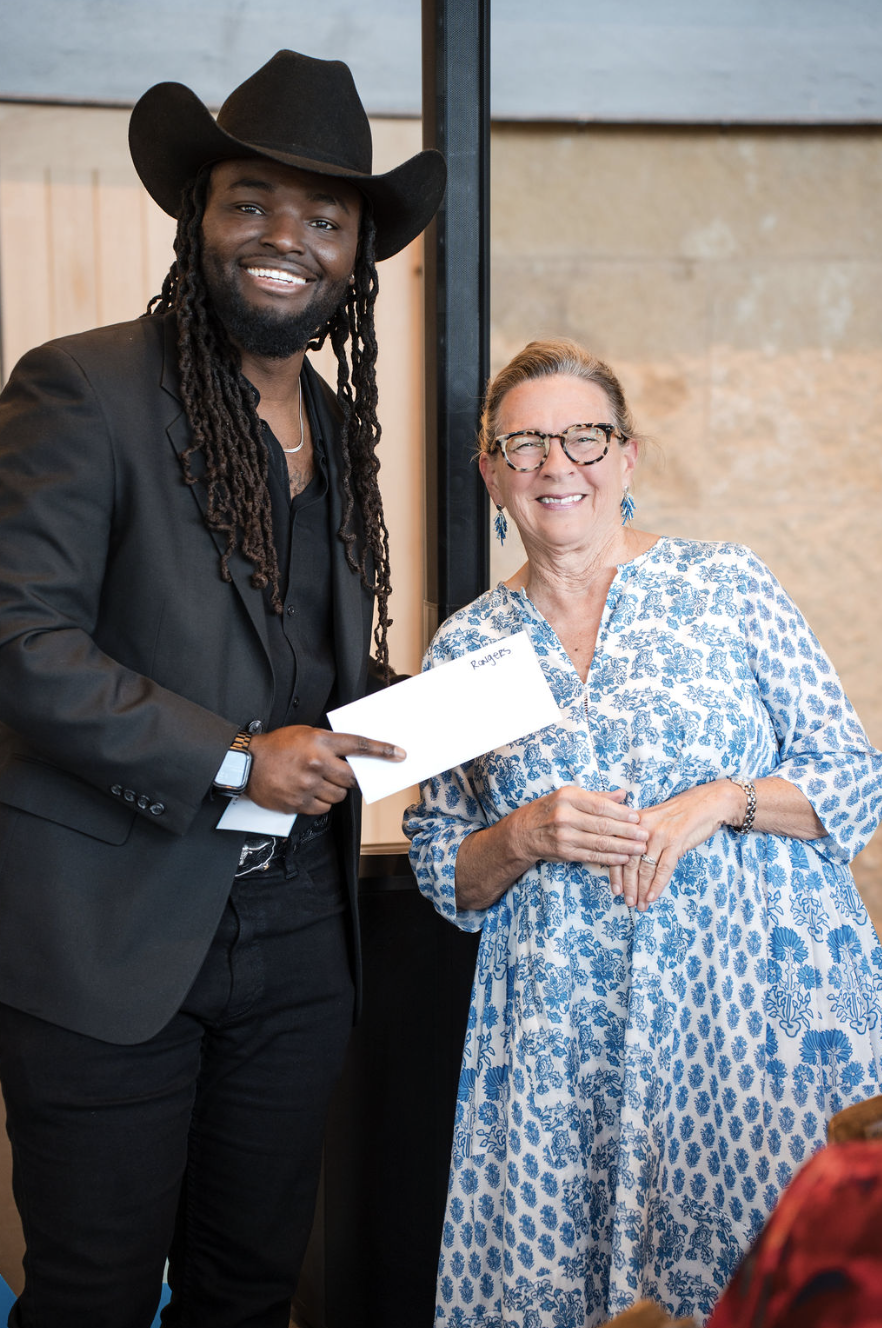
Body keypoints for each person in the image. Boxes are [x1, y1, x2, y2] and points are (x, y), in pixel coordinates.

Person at [0, 50, 444, 1328]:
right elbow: (21, 642)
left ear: (356, 255)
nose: (285, 239)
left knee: (251, 1286)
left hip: (301, 934)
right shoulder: (79, 388)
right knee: (93, 1291)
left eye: (324, 218)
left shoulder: (335, 425)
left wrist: (444, 714)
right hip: (111, 926)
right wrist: (242, 757)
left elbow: (305, 667)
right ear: (199, 216)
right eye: (253, 201)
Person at [404, 339, 882, 1328]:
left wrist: (724, 797)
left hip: (754, 1028)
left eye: (584, 435)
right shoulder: (465, 646)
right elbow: (442, 868)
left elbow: (854, 778)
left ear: (626, 457)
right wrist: (524, 832)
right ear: (491, 471)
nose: (554, 462)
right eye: (523, 441)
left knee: (781, 1285)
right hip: (559, 1051)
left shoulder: (728, 584)